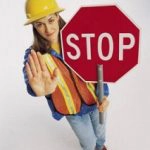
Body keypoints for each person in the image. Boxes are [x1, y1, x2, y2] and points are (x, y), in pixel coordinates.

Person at [23, 0, 110, 150]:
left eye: (50, 20)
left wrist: (104, 94)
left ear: (57, 16)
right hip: (72, 110)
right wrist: (35, 89)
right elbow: (30, 77)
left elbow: (98, 67)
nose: (48, 29)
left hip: (95, 99)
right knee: (88, 142)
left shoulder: (82, 38)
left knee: (100, 134)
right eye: (39, 24)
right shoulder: (35, 55)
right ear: (34, 27)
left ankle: (101, 147)